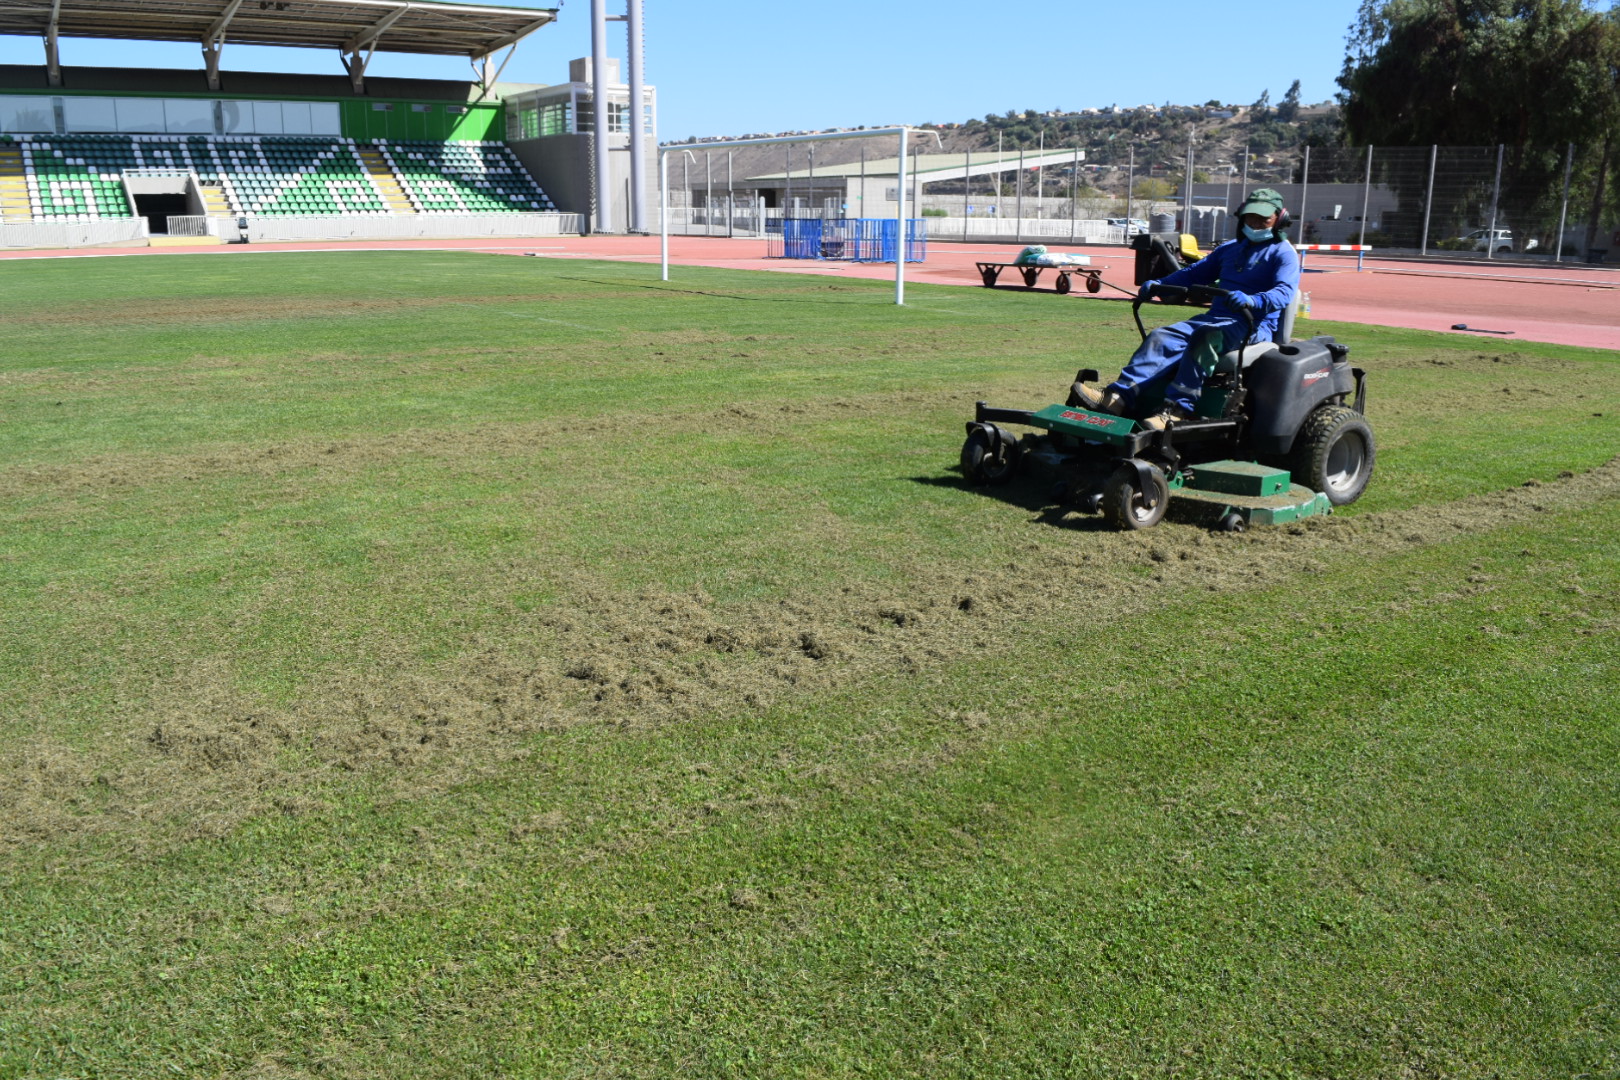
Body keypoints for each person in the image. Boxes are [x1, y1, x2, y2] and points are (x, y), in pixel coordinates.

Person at [1076, 187, 1301, 430]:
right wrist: (1161, 284)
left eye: (1263, 218)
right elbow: (1194, 273)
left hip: (1252, 324)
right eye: (1251, 217)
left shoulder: (1284, 254)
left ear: (1280, 219)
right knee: (1161, 336)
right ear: (1242, 217)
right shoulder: (1229, 249)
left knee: (1206, 336)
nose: (1256, 223)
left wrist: (1253, 300)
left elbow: (1284, 292)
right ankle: (1117, 398)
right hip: (1216, 318)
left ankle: (1177, 410)